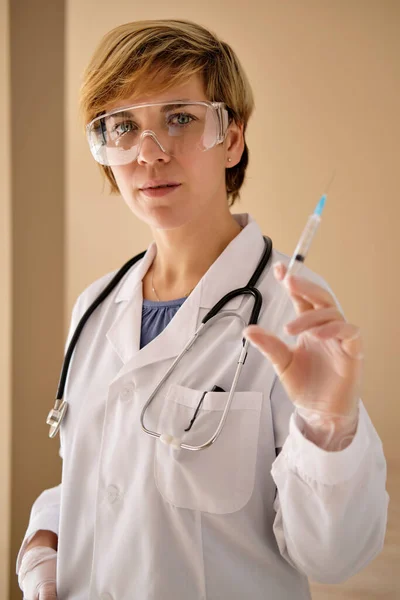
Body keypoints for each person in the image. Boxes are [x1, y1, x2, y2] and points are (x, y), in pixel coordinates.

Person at [16, 19, 389, 600]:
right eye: (123, 127)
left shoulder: (292, 310)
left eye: (179, 119)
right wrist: (47, 537)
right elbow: (108, 479)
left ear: (232, 139)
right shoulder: (95, 307)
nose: (149, 152)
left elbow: (332, 555)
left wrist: (329, 426)